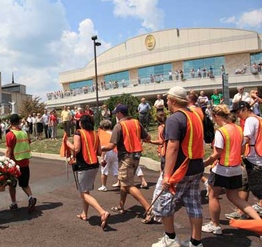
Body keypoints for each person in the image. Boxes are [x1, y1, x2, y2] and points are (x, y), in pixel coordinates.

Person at [152, 86, 204, 247]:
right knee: (194, 203)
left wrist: (167, 175)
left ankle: (170, 238)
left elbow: (173, 146)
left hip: (179, 171)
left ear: (173, 100)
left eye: (167, 99)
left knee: (164, 202)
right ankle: (196, 242)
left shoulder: (174, 119)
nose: (166, 102)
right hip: (196, 166)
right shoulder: (195, 115)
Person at [202, 104, 261, 235]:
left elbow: (216, 154)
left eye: (213, 117)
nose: (213, 120)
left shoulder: (221, 131)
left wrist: (204, 164)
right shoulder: (239, 129)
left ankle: (215, 225)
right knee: (235, 197)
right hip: (236, 169)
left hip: (222, 169)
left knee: (213, 196)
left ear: (217, 116)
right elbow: (241, 149)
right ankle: (259, 223)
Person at [101, 104, 154, 223]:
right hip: (136, 156)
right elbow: (147, 137)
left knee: (128, 185)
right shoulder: (136, 122)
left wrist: (100, 149)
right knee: (124, 184)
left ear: (120, 113)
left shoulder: (119, 126)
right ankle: (121, 206)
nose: (116, 115)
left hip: (126, 157)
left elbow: (112, 145)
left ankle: (149, 208)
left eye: (116, 113)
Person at [64, 114, 110, 230]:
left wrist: (66, 142)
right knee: (86, 191)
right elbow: (99, 151)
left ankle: (102, 212)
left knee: (83, 193)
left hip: (83, 166)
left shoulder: (79, 133)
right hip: (94, 165)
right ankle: (84, 213)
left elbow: (76, 149)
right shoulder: (95, 134)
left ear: (81, 123)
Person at [233, 101, 262, 215]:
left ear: (245, 109)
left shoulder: (250, 120)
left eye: (238, 111)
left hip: (254, 159)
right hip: (258, 157)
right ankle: (241, 212)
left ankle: (255, 209)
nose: (237, 115)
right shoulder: (259, 118)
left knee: (256, 189)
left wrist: (234, 146)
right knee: (245, 184)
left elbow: (246, 138)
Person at [6, 114, 37, 213]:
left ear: (10, 123)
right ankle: (31, 197)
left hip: (14, 164)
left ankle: (14, 203)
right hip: (25, 162)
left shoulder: (10, 134)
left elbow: (8, 150)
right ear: (19, 122)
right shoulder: (24, 133)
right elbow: (28, 143)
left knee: (12, 185)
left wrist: (5, 162)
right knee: (25, 184)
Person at [97, 119, 119, 191]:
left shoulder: (103, 135)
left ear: (103, 127)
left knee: (104, 170)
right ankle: (122, 183)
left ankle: (104, 186)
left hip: (107, 152)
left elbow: (103, 146)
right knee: (116, 169)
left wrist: (102, 158)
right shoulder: (114, 133)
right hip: (115, 152)